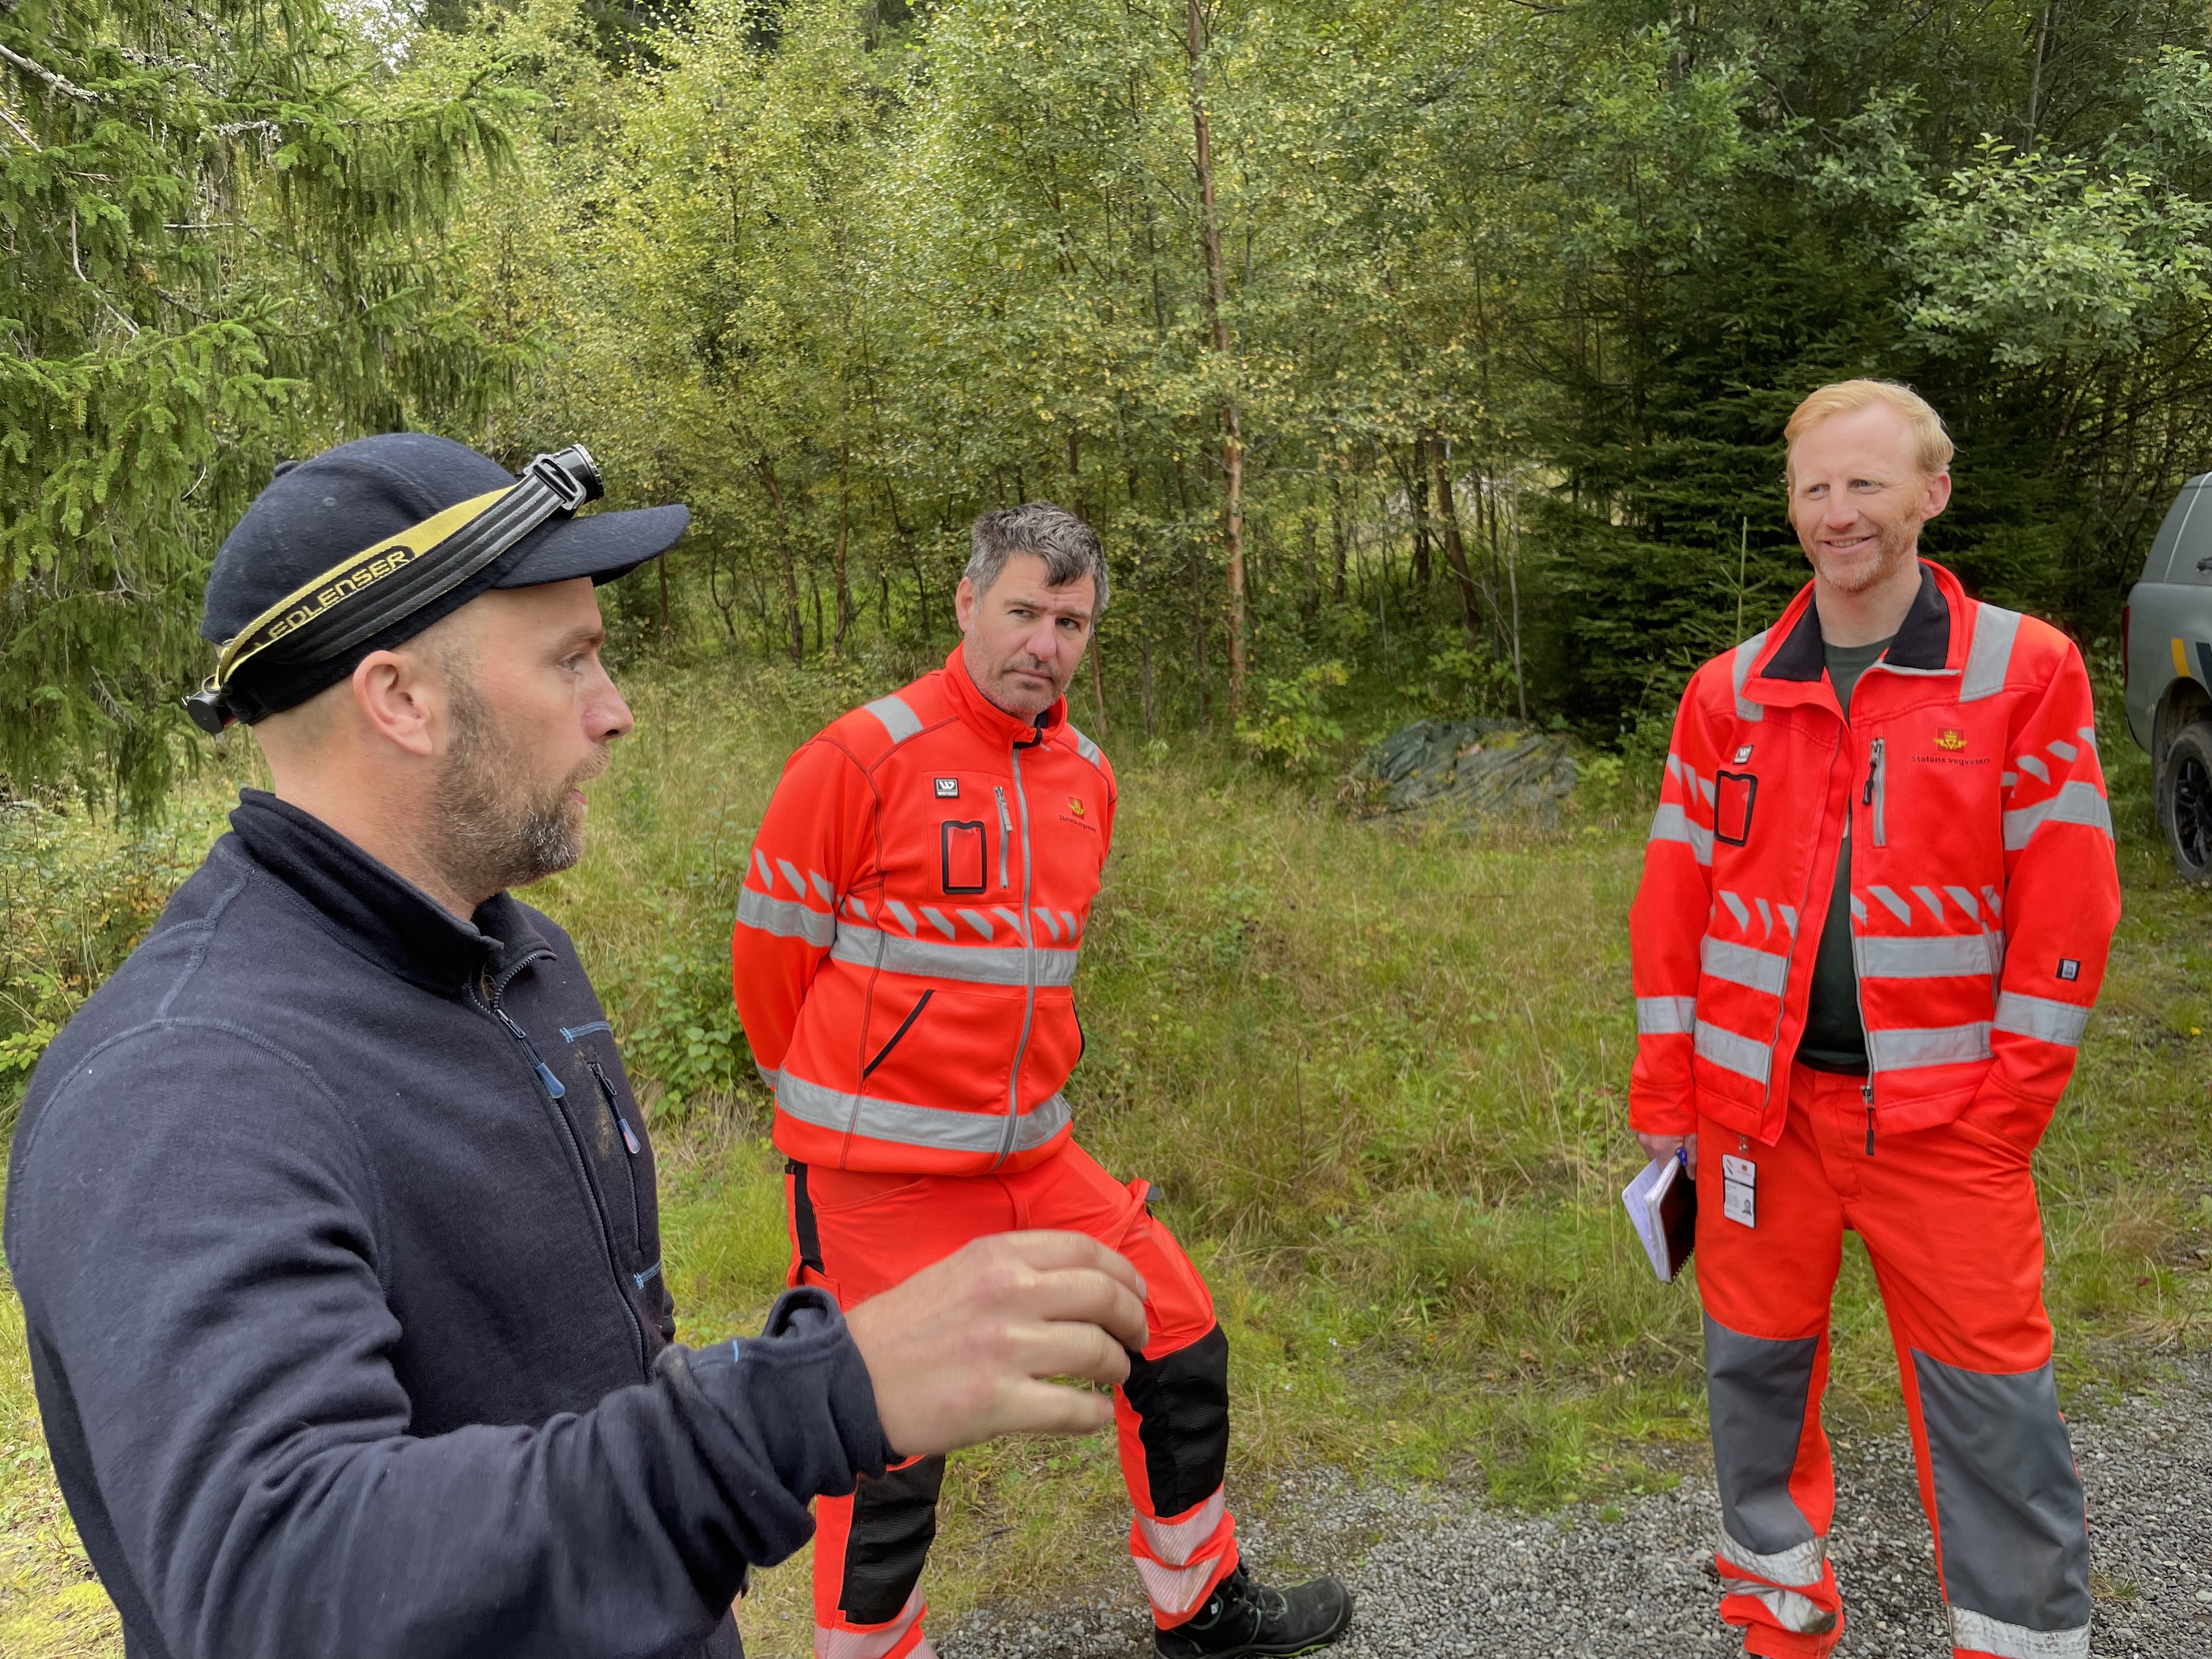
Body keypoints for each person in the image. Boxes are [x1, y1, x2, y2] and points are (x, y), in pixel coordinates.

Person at [3, 436, 1153, 1659]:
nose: (617, 713)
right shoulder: (187, 1082)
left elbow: (575, 1376)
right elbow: (277, 1585)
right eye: (573, 662)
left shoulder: (520, 954)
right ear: (401, 699)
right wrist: (810, 1398)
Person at [731, 503, 1352, 1659]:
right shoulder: (859, 757)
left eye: (1070, 622)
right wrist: (838, 1112)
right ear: (968, 605)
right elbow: (771, 969)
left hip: (1035, 1153)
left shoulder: (1087, 775)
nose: (1044, 644)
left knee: (1176, 1335)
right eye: (1023, 611)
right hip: (882, 1180)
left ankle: (1199, 1603)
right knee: (885, 1443)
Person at [1628, 381, 2120, 1659]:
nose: (1839, 514)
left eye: (1866, 485)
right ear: (1791, 506)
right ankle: (1778, 1613)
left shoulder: (2025, 668)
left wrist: (2009, 1107)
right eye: (1815, 489)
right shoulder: (1726, 694)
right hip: (1756, 1125)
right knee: (1753, 1388)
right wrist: (1673, 1107)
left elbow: (2071, 903)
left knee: (1994, 1412)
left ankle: (2019, 1642)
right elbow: (1673, 916)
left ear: (1930, 495)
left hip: (1948, 1123)